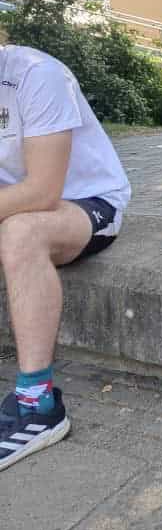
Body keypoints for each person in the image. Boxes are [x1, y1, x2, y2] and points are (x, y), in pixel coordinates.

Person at [0, 44, 131, 471]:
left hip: (84, 202)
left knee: (20, 233)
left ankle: (38, 405)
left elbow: (42, 192)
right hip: (11, 204)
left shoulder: (37, 74)